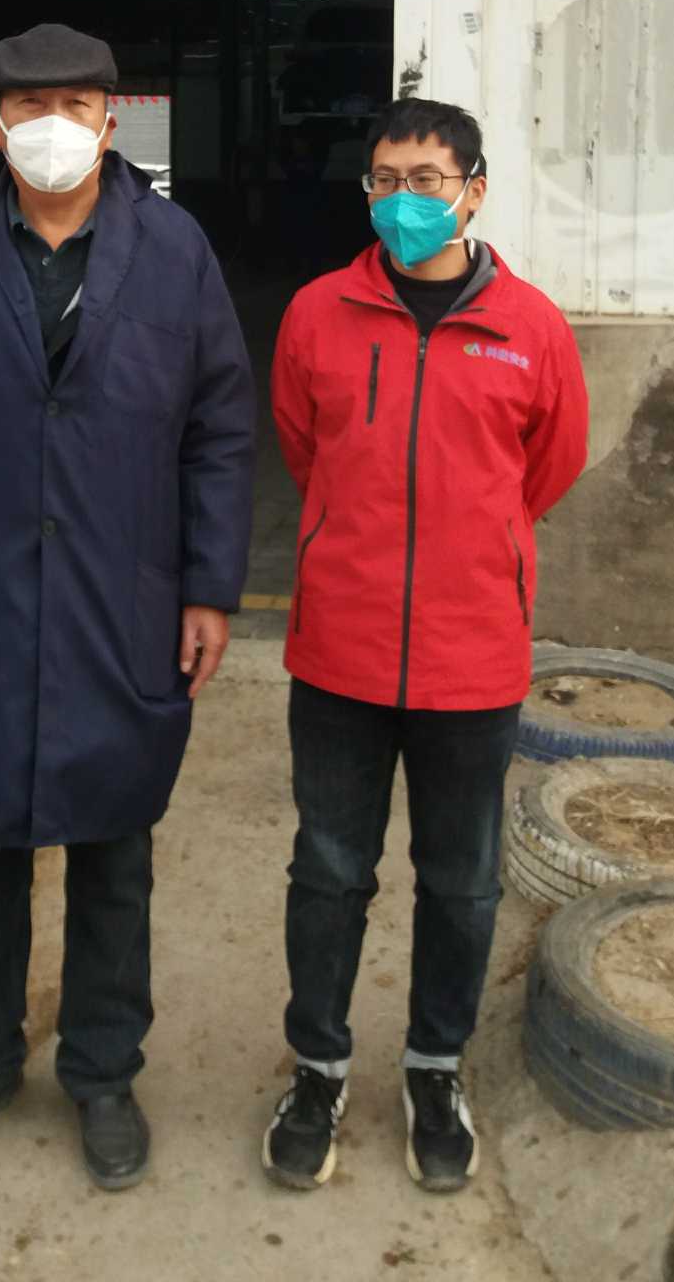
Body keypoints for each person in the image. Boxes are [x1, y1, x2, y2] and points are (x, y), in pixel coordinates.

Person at [0, 23, 254, 1193]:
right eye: (28, 106)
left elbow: (219, 430)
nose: (52, 127)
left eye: (75, 105)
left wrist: (209, 588)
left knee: (113, 846)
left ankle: (102, 1073)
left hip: (118, 595)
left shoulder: (174, 250)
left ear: (111, 120)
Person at [263, 97, 588, 1195]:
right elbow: (304, 449)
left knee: (461, 882)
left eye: (428, 181)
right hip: (340, 654)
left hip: (471, 658)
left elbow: (549, 468)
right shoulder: (317, 314)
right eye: (386, 180)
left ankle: (435, 1068)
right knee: (328, 871)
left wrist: (474, 551)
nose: (405, 200)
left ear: (474, 192)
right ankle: (317, 1069)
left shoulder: (532, 328)